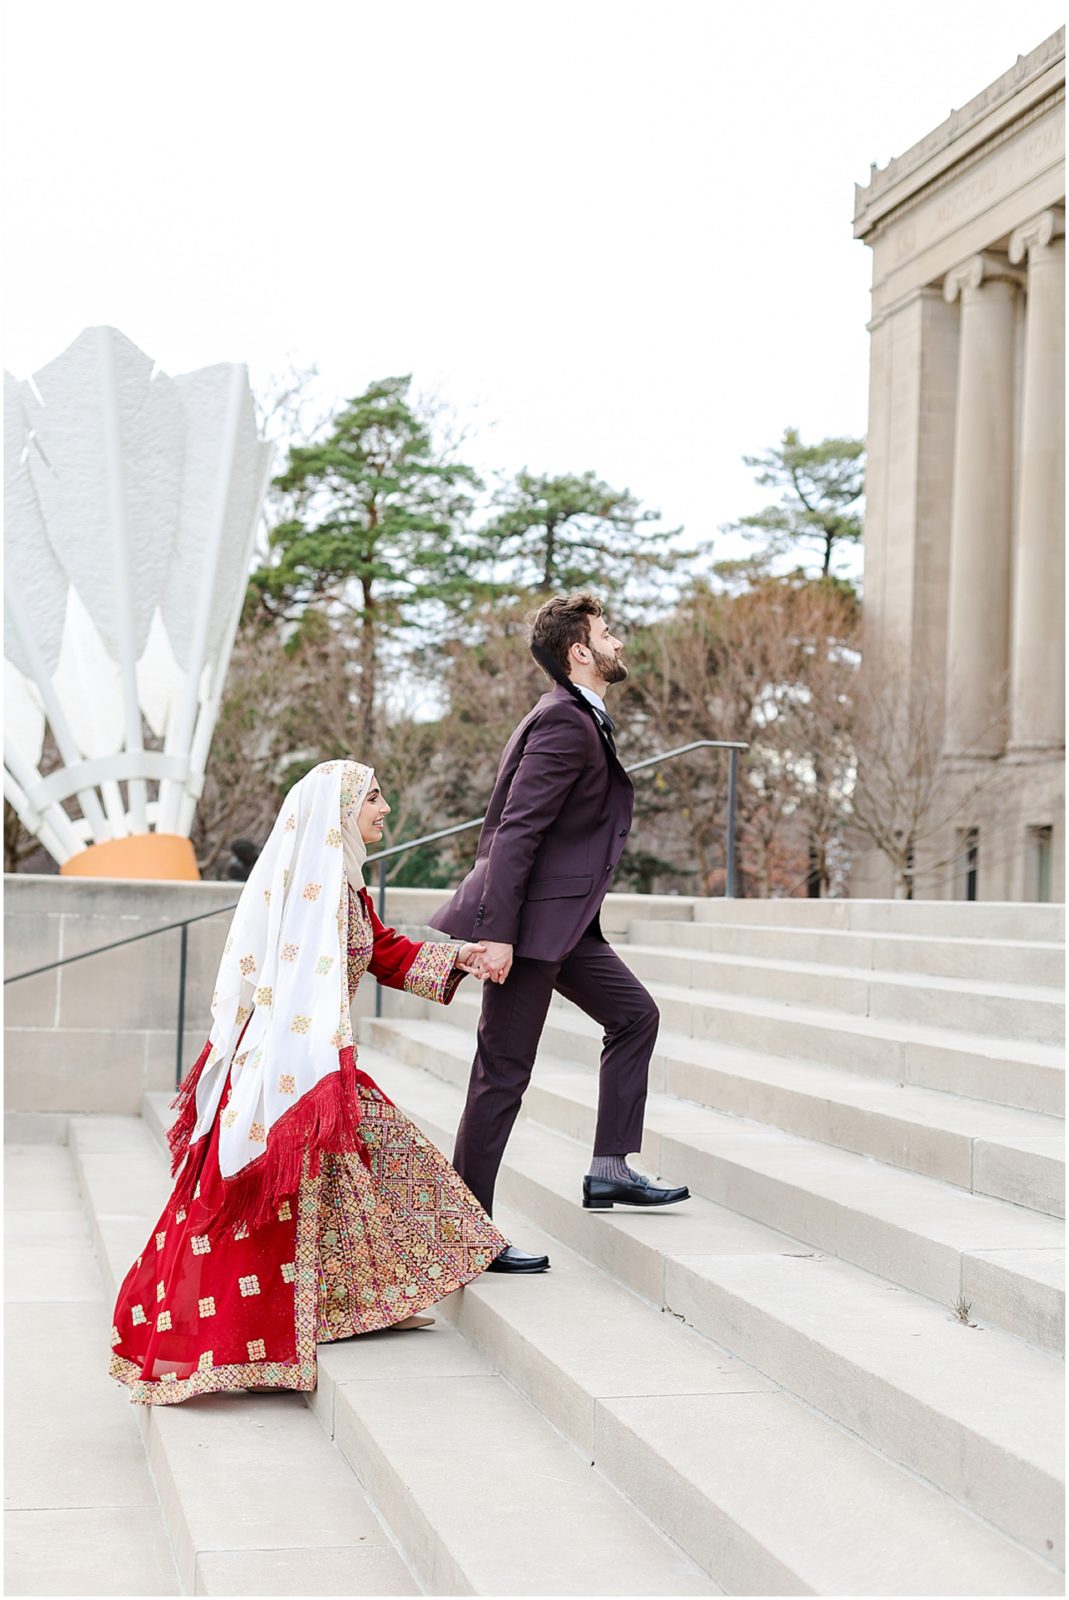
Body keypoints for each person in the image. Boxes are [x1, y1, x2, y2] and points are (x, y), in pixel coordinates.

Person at [109, 761, 508, 1405]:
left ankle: (365, 1302)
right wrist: (315, 1065)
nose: (385, 807)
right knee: (288, 1194)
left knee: (381, 1163)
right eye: (374, 798)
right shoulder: (308, 890)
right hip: (291, 1065)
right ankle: (255, 1337)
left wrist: (459, 956)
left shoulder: (344, 884)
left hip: (323, 1060)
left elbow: (380, 950)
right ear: (340, 813)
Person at [430, 593, 689, 1275]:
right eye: (608, 634)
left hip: (563, 923)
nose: (619, 644)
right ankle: (466, 1236)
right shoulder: (563, 723)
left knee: (634, 1016)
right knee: (501, 1075)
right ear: (580, 650)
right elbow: (515, 830)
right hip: (528, 928)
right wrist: (498, 934)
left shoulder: (579, 717)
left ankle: (610, 1167)